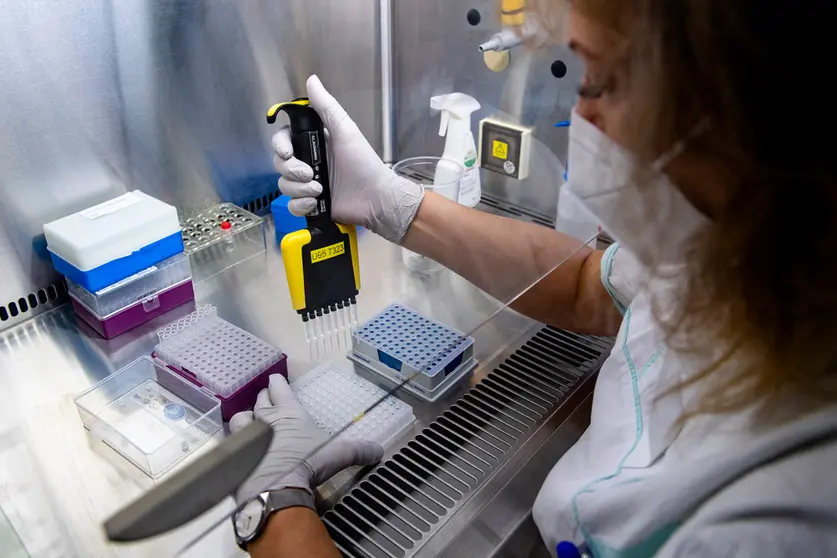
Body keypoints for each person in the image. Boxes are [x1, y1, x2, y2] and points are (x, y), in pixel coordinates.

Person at [229, 0, 837, 556]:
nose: (581, 112)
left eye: (599, 78)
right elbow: (586, 285)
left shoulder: (771, 525)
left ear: (742, 116)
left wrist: (275, 515)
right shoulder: (739, 256)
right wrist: (391, 202)